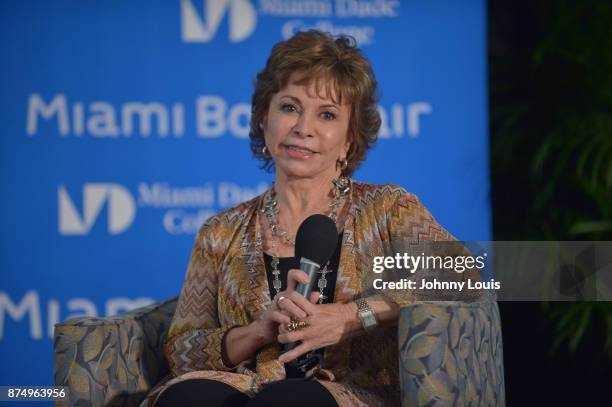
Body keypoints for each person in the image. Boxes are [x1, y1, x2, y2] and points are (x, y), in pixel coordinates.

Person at [146, 30, 473, 407]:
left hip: (348, 392)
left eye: (327, 114)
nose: (304, 128)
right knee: (188, 398)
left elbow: (460, 273)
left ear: (349, 139)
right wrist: (256, 332)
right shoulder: (221, 231)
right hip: (244, 386)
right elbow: (182, 351)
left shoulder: (387, 209)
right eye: (289, 107)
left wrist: (353, 315)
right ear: (264, 120)